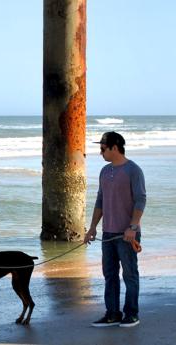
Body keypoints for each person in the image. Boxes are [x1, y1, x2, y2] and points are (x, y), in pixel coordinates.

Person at [84, 131, 146, 328]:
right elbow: (100, 200)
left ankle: (131, 314)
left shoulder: (133, 170)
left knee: (129, 275)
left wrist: (133, 227)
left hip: (127, 233)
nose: (100, 152)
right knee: (109, 275)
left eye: (103, 148)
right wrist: (92, 227)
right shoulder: (104, 171)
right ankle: (112, 314)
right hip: (108, 233)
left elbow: (140, 199)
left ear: (114, 148)